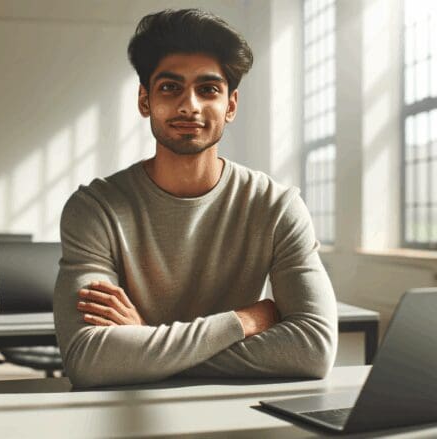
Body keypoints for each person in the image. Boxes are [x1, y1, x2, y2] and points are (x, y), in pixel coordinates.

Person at [53, 8, 337, 388]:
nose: (190, 105)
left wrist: (146, 340)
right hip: (123, 413)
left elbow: (312, 349)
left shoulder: (278, 206)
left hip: (240, 415)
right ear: (144, 100)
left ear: (230, 105)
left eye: (208, 89)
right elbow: (89, 359)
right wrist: (244, 321)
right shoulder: (94, 209)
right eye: (170, 87)